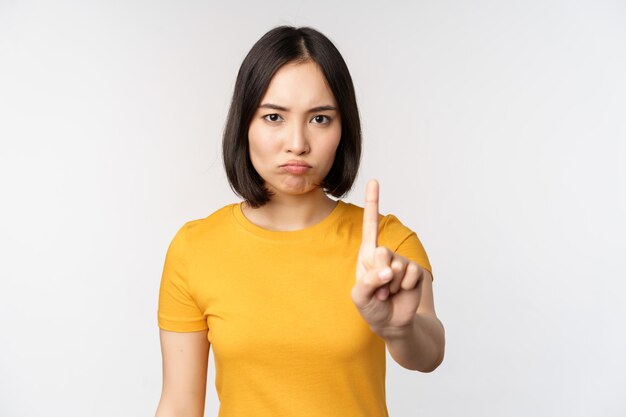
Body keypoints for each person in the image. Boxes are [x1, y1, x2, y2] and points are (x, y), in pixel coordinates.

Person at [155, 25, 445, 417]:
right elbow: (179, 406)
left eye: (320, 119)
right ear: (244, 124)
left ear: (344, 128)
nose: (297, 142)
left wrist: (399, 329)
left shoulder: (386, 244)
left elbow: (429, 354)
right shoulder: (195, 248)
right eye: (274, 116)